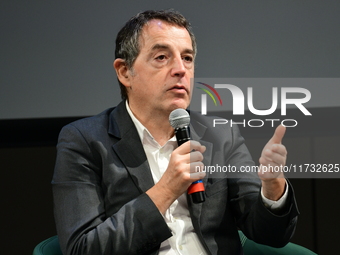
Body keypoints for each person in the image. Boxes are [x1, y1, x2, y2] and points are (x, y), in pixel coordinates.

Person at [52, 9, 299, 255]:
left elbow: (270, 235)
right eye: (161, 57)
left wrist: (272, 188)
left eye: (187, 58)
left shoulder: (221, 135)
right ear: (125, 72)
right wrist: (166, 190)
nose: (181, 70)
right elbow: (82, 249)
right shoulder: (84, 141)